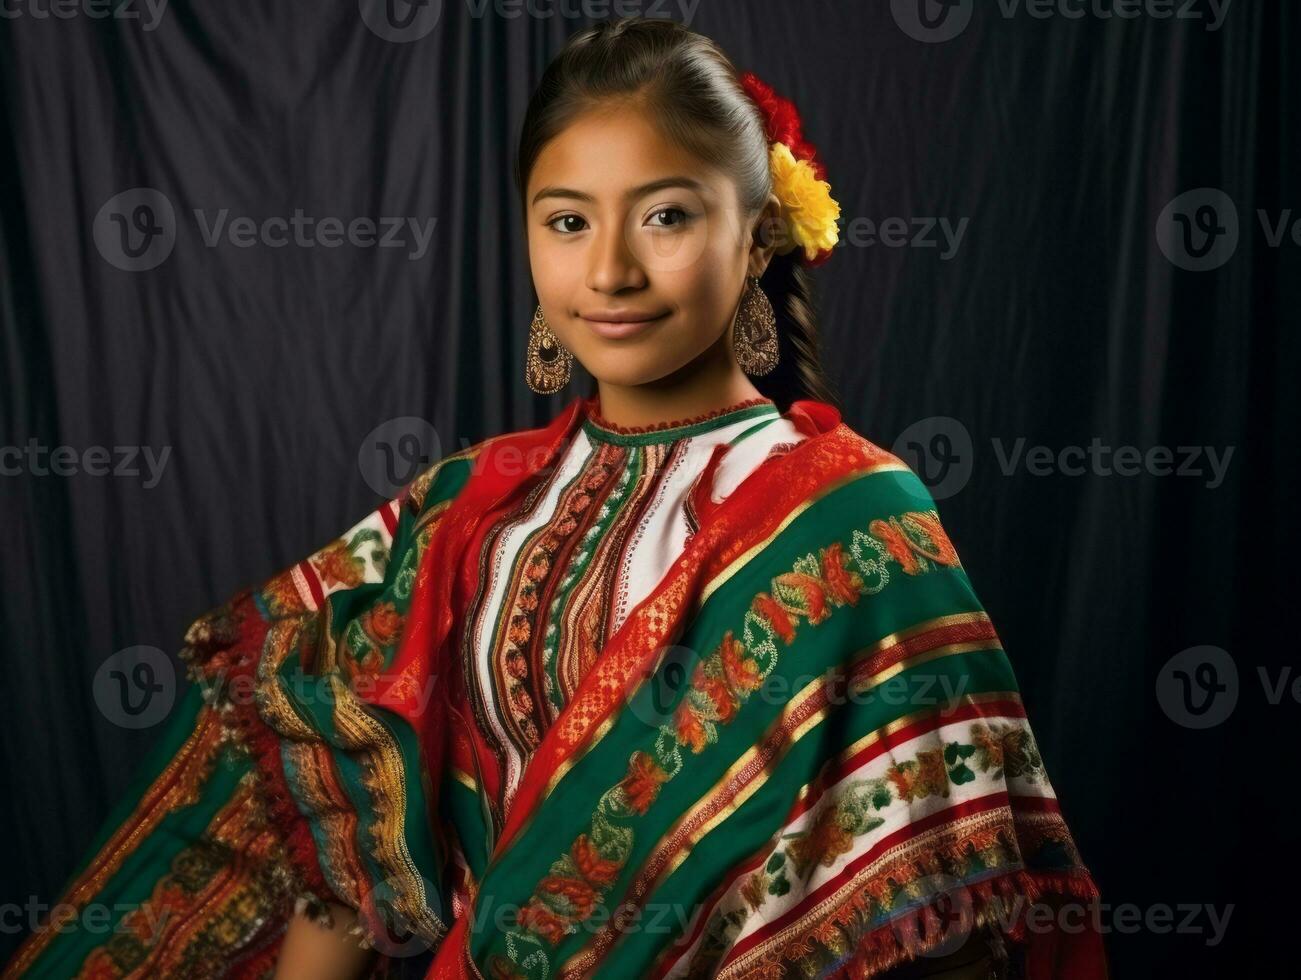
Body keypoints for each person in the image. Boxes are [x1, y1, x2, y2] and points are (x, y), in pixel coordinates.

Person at [3, 17, 1107, 980]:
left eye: (665, 217)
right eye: (566, 220)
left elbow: (931, 904)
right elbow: (344, 860)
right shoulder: (463, 505)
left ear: (759, 225)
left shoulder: (852, 514)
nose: (609, 271)